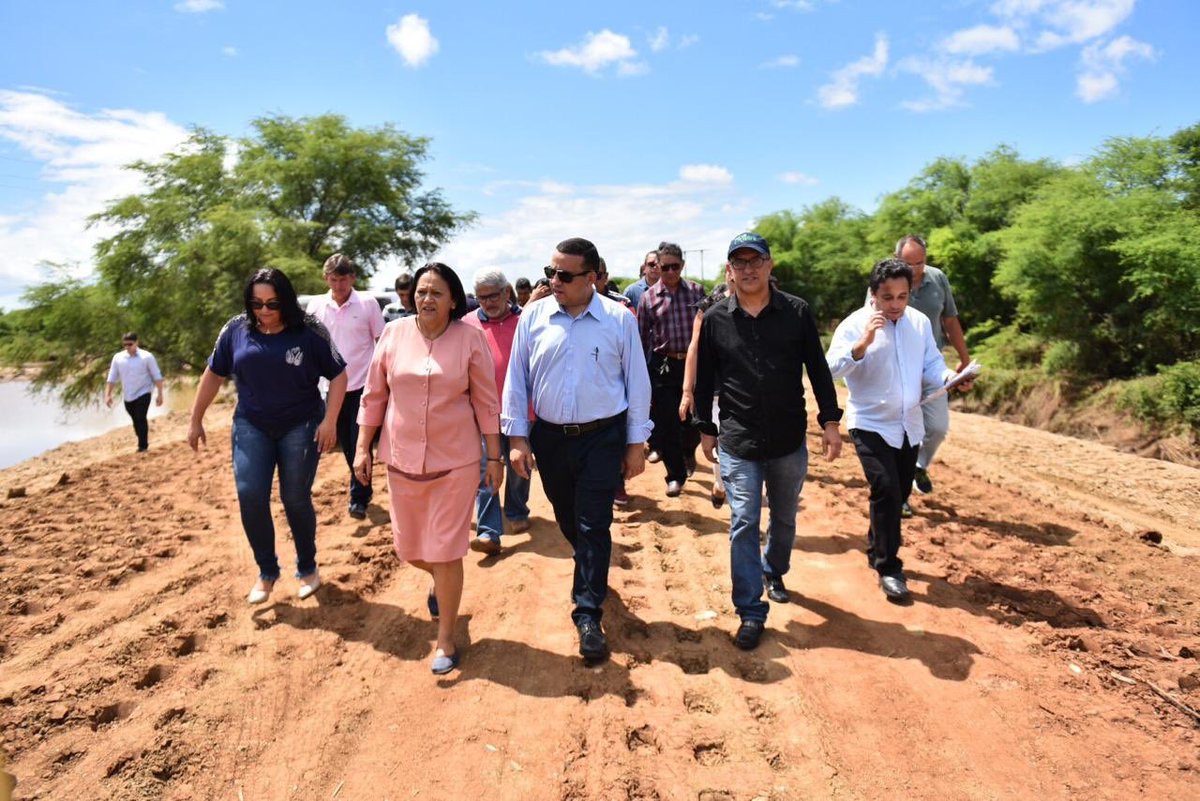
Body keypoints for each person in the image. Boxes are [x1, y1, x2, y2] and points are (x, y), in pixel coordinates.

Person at [503, 237, 652, 663]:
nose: (555, 281)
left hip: (602, 438)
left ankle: (587, 613)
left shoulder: (617, 320)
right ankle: (590, 567)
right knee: (569, 520)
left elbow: (637, 384)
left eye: (565, 275)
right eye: (551, 272)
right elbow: (517, 380)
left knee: (593, 524)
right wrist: (516, 438)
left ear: (591, 278)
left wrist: (636, 443)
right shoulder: (533, 317)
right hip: (550, 438)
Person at [694, 233, 843, 650]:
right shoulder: (717, 319)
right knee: (743, 521)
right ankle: (750, 611)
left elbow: (817, 369)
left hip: (787, 438)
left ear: (769, 264)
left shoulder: (795, 312)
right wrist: (706, 428)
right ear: (730, 270)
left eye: (755, 260)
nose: (748, 269)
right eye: (739, 262)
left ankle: (773, 568)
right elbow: (705, 377)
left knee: (784, 517)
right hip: (739, 440)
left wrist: (830, 421)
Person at [353, 262, 502, 675]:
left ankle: (446, 639)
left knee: (447, 549)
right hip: (401, 459)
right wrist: (362, 447)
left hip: (456, 462)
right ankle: (441, 581)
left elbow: (486, 401)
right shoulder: (394, 334)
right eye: (421, 291)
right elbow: (373, 395)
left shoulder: (470, 339)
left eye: (436, 292)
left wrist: (495, 457)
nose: (426, 299)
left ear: (453, 299)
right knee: (410, 549)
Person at [188, 268, 347, 604]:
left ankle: (307, 568)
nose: (264, 310)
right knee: (251, 495)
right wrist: (195, 419)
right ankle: (266, 572)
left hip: (301, 425)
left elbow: (339, 374)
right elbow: (214, 373)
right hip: (252, 424)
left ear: (285, 301)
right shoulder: (235, 329)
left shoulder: (309, 330)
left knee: (295, 498)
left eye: (272, 303)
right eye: (256, 303)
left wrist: (330, 421)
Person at [827, 257, 965, 601]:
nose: (895, 305)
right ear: (873, 294)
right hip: (870, 423)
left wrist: (950, 377)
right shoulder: (854, 325)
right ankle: (889, 567)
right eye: (888, 297)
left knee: (897, 492)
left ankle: (876, 548)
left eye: (902, 297)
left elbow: (932, 362)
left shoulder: (918, 322)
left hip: (909, 423)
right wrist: (863, 344)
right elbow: (829, 368)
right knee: (886, 488)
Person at [306, 254, 385, 519]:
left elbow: (381, 342)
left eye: (343, 279)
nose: (339, 285)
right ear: (326, 278)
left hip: (362, 384)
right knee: (340, 442)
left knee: (356, 443)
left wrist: (384, 381)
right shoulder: (315, 307)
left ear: (353, 278)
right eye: (334, 279)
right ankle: (361, 486)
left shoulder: (367, 304)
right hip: (328, 387)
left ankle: (359, 496)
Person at [894, 234, 970, 506]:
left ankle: (919, 465)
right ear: (897, 260)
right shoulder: (885, 281)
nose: (915, 270)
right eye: (908, 264)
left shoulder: (937, 278)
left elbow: (950, 319)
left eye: (920, 263)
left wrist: (964, 358)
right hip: (896, 367)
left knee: (937, 427)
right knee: (901, 432)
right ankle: (899, 496)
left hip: (931, 364)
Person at [463, 267, 530, 555]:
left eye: (492, 296)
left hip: (521, 409)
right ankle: (489, 530)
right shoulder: (467, 325)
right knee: (486, 466)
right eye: (481, 298)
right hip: (481, 413)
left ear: (506, 293)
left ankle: (516, 510)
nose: (487, 303)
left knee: (518, 466)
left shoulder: (525, 320)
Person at [638, 242, 706, 498]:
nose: (669, 272)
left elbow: (708, 331)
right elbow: (642, 337)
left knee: (692, 421)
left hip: (693, 364)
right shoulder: (648, 298)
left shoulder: (697, 293)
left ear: (682, 265)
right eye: (663, 267)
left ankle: (689, 450)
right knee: (667, 422)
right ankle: (675, 475)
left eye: (674, 267)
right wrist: (641, 373)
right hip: (663, 366)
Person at [679, 281, 728, 509]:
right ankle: (720, 483)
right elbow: (694, 348)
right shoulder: (707, 307)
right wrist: (687, 391)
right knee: (721, 447)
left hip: (750, 392)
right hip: (716, 393)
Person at [105, 332, 164, 453]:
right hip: (128, 395)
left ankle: (143, 446)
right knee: (135, 420)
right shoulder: (118, 358)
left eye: (130, 344)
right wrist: (108, 394)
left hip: (144, 392)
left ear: (136, 343)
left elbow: (156, 375)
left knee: (141, 417)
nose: (127, 347)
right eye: (125, 344)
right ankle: (141, 440)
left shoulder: (147, 357)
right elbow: (112, 377)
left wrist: (160, 393)